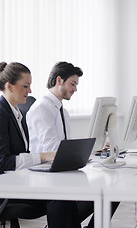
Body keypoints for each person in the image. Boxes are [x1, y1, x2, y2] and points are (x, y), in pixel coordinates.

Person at [26, 61, 118, 227]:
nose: (75, 89)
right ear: (59, 80)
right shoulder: (42, 108)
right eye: (73, 83)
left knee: (112, 193)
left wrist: (93, 148)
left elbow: (65, 147)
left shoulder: (62, 111)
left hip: (60, 170)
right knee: (103, 192)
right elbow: (52, 149)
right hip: (45, 173)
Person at [0, 62, 81, 228]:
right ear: (9, 86)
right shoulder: (1, 113)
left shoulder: (16, 113)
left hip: (17, 180)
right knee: (60, 194)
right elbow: (3, 162)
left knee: (64, 191)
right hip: (6, 190)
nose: (30, 91)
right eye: (26, 86)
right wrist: (43, 156)